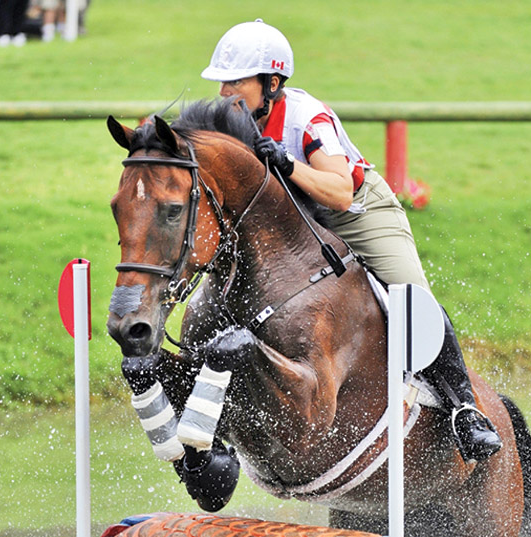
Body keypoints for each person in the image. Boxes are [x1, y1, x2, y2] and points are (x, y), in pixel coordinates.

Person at [201, 20, 502, 463]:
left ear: (273, 82)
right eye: (223, 80)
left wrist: (286, 163)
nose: (226, 90)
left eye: (236, 81)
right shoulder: (227, 122)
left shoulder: (307, 118)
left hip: (356, 211)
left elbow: (340, 190)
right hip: (294, 220)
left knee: (409, 292)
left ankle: (464, 409)